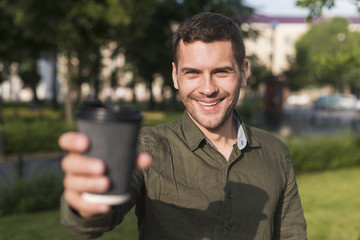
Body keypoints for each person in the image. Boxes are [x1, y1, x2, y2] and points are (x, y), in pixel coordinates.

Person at [59, 12, 307, 239]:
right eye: (193, 73)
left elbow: (292, 234)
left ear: (243, 73)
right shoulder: (147, 146)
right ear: (175, 76)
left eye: (221, 72)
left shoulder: (276, 152)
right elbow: (97, 219)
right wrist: (86, 203)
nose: (208, 88)